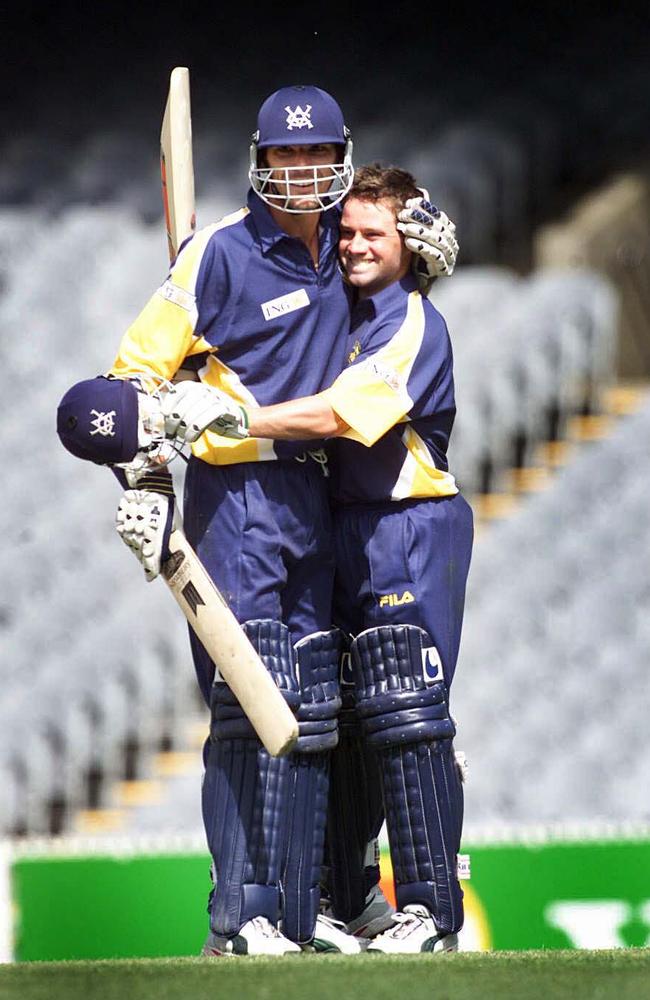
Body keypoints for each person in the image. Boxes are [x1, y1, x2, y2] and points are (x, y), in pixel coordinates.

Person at [56, 86, 459, 956]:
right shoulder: (218, 256)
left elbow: (400, 290)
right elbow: (120, 390)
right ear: (260, 163)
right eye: (285, 159)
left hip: (323, 496)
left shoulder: (348, 262)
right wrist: (150, 470)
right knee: (248, 706)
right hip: (238, 502)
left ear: (340, 160)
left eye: (317, 158)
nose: (303, 173)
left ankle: (301, 901)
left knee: (314, 708)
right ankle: (241, 918)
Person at [211, 164, 474, 952]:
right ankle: (352, 899)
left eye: (374, 234)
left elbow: (331, 414)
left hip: (407, 524)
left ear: (412, 244)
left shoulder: (414, 323)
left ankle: (431, 913)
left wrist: (233, 421)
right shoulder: (333, 315)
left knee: (406, 711)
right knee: (339, 717)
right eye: (348, 231)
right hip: (333, 529)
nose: (355, 246)